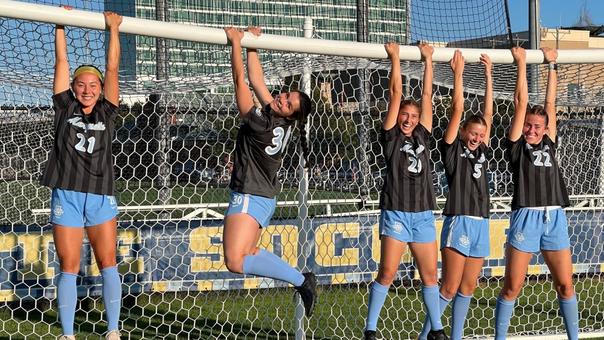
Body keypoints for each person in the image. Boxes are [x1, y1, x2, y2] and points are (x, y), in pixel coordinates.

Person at [222, 26, 317, 317]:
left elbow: (241, 80)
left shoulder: (263, 124)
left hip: (251, 196)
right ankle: (302, 281)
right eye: (286, 95)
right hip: (262, 196)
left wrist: (236, 44)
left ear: (292, 116)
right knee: (245, 255)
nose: (282, 99)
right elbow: (257, 79)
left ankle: (302, 281)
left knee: (235, 261)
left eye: (288, 104)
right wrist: (252, 44)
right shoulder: (279, 120)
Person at [43, 11, 123, 340]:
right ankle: (67, 334)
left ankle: (113, 330)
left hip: (101, 194)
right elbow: (61, 62)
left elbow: (113, 68)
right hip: (67, 194)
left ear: (100, 89)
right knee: (69, 265)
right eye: (81, 85)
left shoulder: (108, 109)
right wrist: (60, 25)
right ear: (74, 89)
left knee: (107, 262)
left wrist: (114, 30)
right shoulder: (65, 107)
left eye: (93, 86)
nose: (87, 90)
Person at [494, 47, 578, 340]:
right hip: (526, 217)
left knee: (566, 285)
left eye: (536, 126)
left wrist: (553, 64)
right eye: (528, 124)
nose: (531, 129)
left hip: (555, 217)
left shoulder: (550, 141)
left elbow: (550, 103)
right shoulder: (517, 146)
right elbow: (521, 102)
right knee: (512, 286)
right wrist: (521, 64)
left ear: (545, 129)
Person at [364, 42, 447, 340]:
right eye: (404, 115)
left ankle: (437, 331)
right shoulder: (390, 137)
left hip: (423, 214)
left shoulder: (423, 132)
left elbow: (427, 96)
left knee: (429, 277)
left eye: (413, 116)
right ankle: (370, 330)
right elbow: (395, 94)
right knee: (387, 272)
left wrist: (428, 60)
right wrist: (395, 58)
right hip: (397, 211)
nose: (409, 119)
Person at [419, 50, 494, 340]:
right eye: (472, 133)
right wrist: (458, 75)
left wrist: (488, 75)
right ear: (463, 132)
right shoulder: (452, 150)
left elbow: (487, 115)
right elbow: (457, 110)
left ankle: (456, 337)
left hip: (481, 222)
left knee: (468, 288)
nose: (476, 137)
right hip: (459, 219)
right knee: (448, 288)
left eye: (480, 134)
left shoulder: (483, 148)